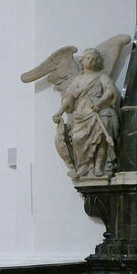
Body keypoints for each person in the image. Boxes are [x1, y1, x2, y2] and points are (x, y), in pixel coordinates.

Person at [52, 47, 119, 179]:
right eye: (89, 58)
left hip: (99, 111)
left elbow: (110, 91)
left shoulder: (102, 77)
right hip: (82, 114)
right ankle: (83, 167)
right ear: (82, 62)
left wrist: (99, 103)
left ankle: (99, 166)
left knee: (101, 136)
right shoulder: (77, 80)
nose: (92, 60)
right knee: (77, 138)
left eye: (95, 58)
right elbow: (68, 96)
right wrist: (59, 112)